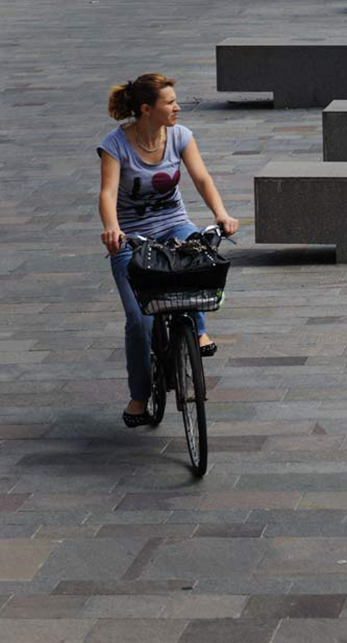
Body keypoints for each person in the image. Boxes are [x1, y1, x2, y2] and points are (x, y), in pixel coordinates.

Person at [98, 73, 238, 428]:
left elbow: (202, 178)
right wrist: (113, 229)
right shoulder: (116, 145)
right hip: (132, 236)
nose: (177, 107)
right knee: (140, 320)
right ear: (146, 109)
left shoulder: (180, 136)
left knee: (199, 256)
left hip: (173, 224)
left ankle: (198, 328)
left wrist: (220, 214)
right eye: (170, 103)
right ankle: (139, 396)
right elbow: (108, 194)